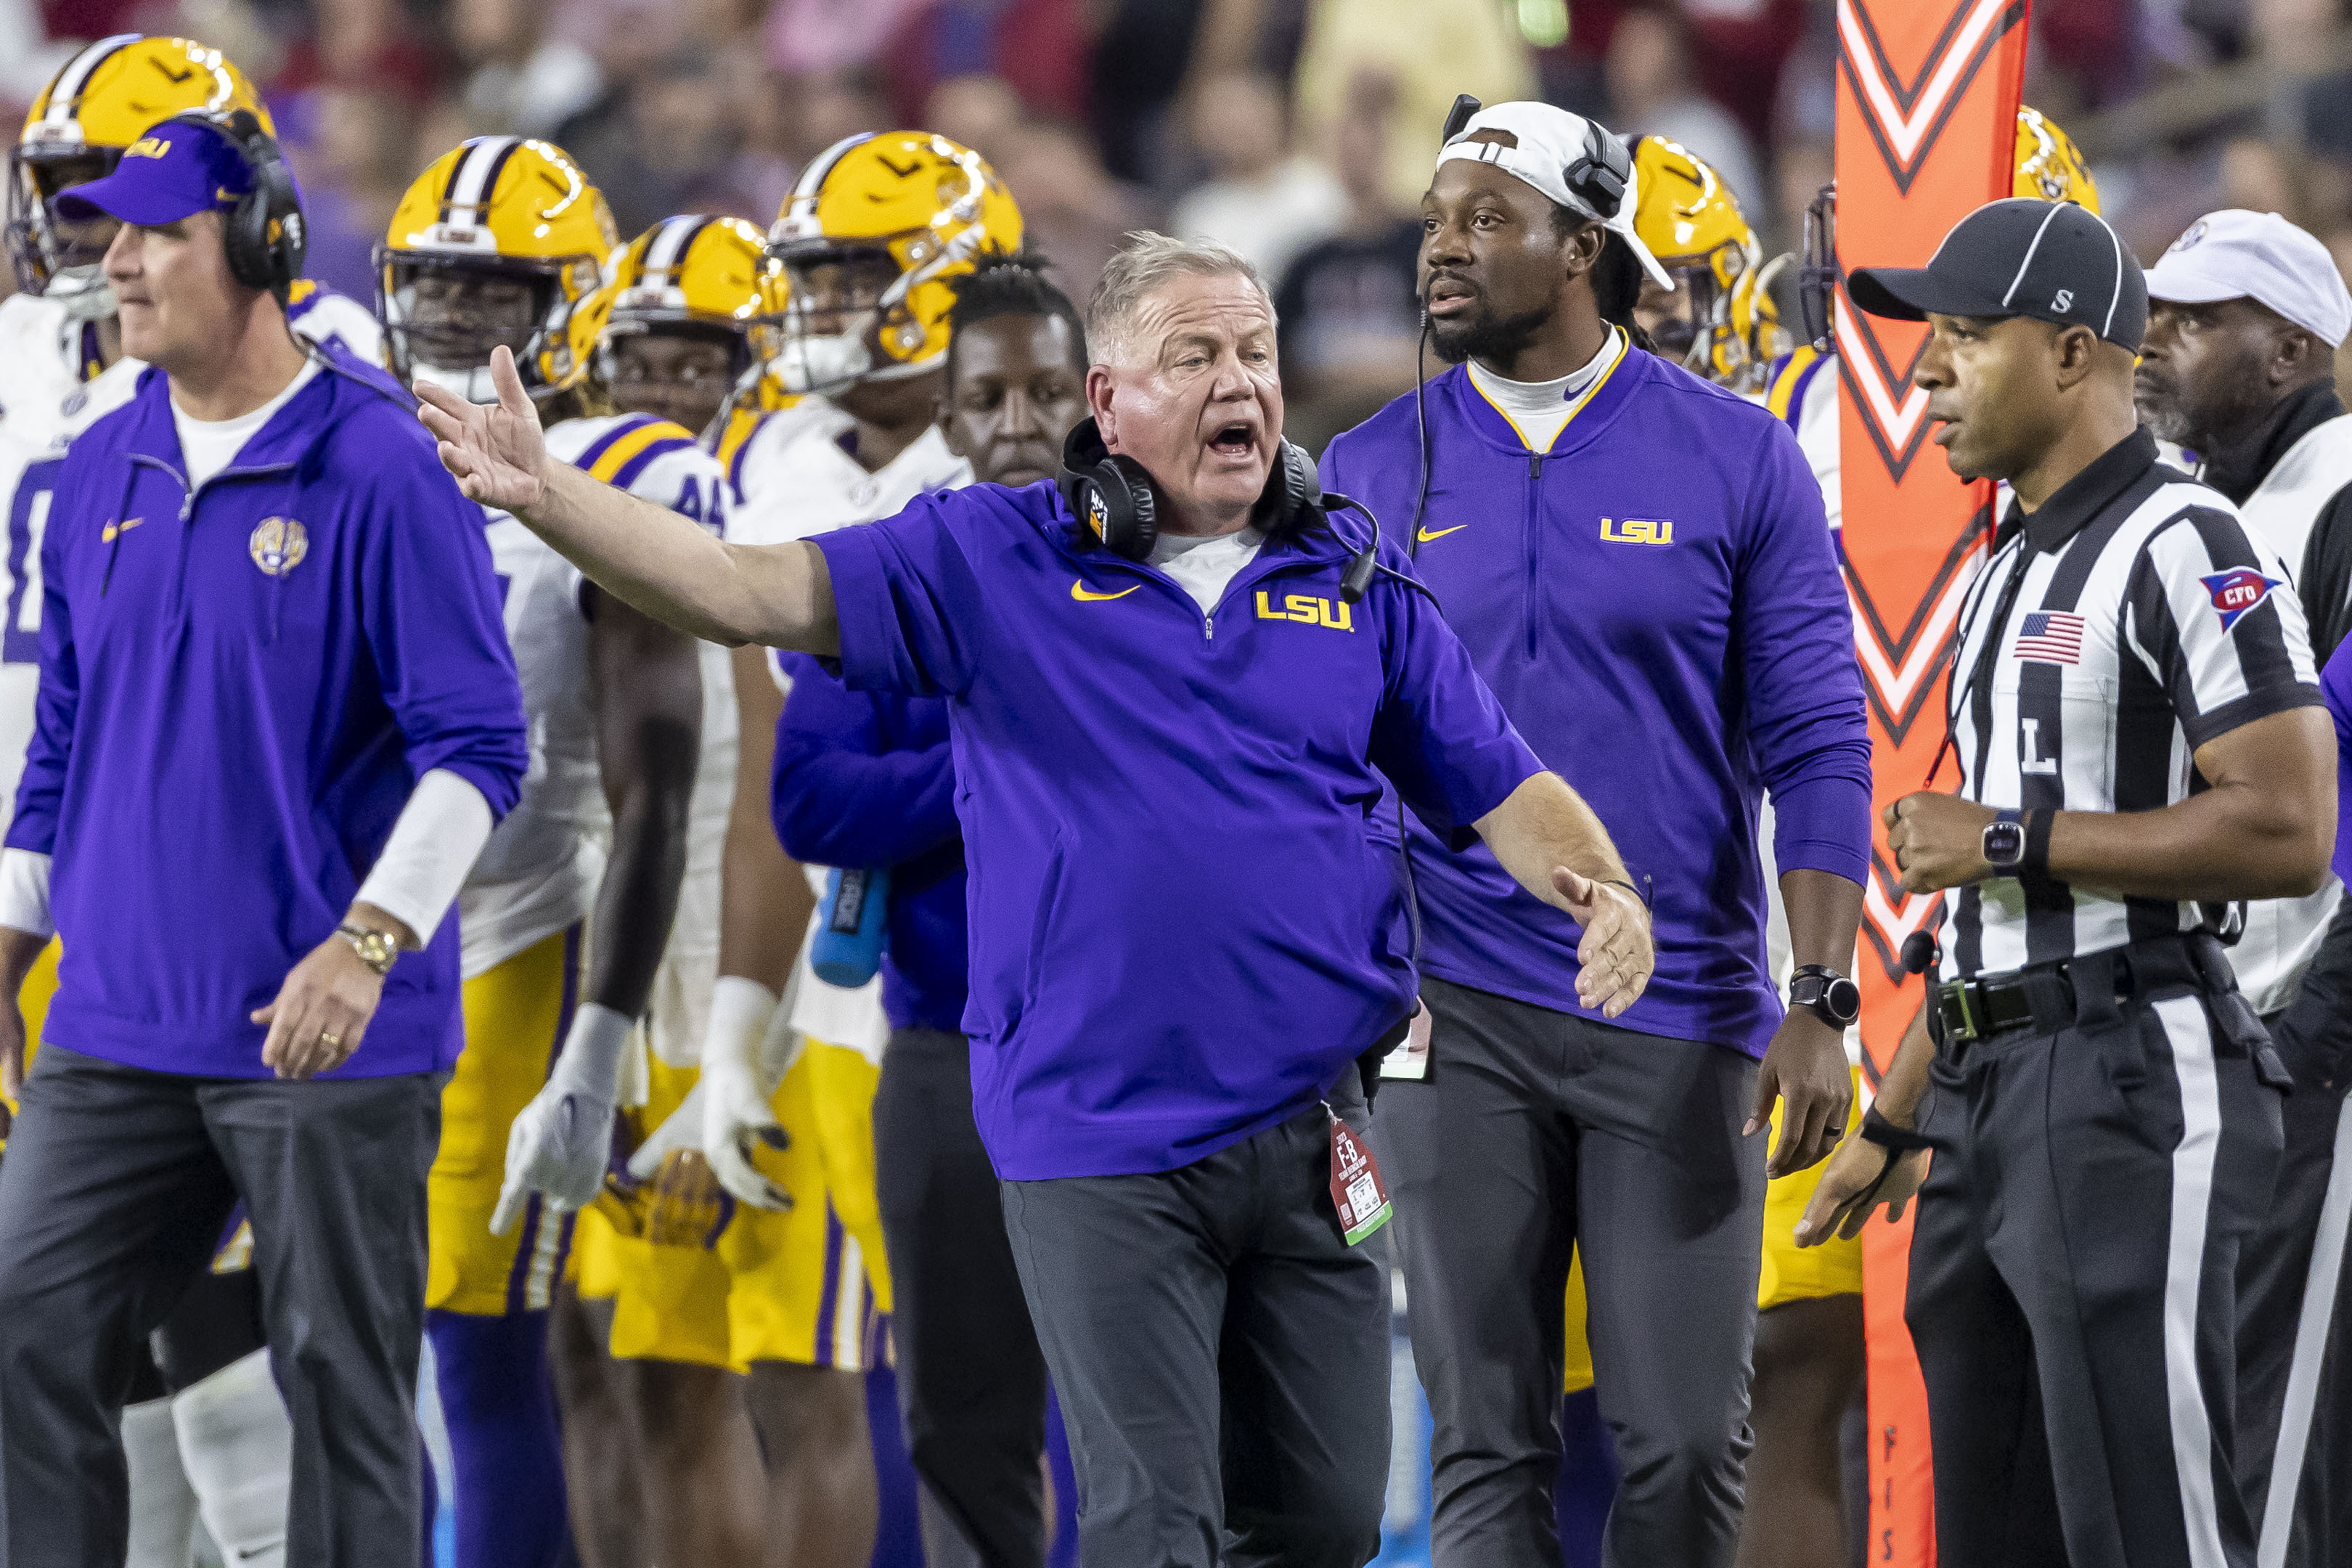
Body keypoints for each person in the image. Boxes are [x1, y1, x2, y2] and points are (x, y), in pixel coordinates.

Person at [417, 229, 1654, 1568]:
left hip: (1315, 1127)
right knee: (1149, 1523)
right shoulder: (987, 558)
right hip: (1096, 1129)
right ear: (1108, 402)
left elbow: (1503, 783)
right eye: (1196, 357)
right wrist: (550, 499)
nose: (1239, 381)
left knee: (1325, 1519)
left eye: (1253, 353)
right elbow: (737, 590)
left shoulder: (1348, 576)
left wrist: (1612, 892)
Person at [1318, 100, 1871, 1568]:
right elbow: (1321, 763)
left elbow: (1821, 741)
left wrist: (1822, 998)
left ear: (1583, 245)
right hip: (1456, 1016)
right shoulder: (1366, 472)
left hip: (1683, 1004)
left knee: (1687, 1442)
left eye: (1486, 218)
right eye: (1438, 215)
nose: (1444, 244)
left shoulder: (1739, 458)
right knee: (1486, 1438)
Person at [0, 110, 526, 1567]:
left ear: (260, 246)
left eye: (157, 232)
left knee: (345, 1396)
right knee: (26, 1336)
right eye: (108, 230)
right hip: (118, 1022)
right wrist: (10, 946)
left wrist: (365, 947)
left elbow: (481, 751)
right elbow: (63, 744)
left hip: (321, 1032)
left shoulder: (381, 463)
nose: (114, 260)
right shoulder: (103, 465)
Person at [1798, 196, 2335, 1568]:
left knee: (2153, 1526)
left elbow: (2289, 825)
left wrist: (2014, 835)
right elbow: (1985, 913)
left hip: (2130, 1069)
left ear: (2075, 351)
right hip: (1984, 1089)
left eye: (1966, 337)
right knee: (1991, 1528)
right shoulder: (2004, 563)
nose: (1924, 369)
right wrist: (1897, 1112)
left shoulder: (2187, 541)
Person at [372, 136, 719, 1568]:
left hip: (529, 934)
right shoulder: (359, 446)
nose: (455, 328)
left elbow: (659, 784)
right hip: (370, 939)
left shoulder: (623, 469)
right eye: (433, 295)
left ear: (569, 306)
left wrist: (595, 1046)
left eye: (493, 297)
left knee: (488, 1351)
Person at [688, 128, 1020, 1568]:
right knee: (848, 1381)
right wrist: (734, 1029)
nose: (821, 307)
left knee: (998, 1408)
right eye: (811, 278)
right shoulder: (787, 463)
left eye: (856, 276)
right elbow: (788, 784)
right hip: (843, 986)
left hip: (990, 997)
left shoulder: (1016, 471)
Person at [772, 251, 1088, 1568]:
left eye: (1050, 389)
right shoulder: (896, 570)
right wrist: (999, 769)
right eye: (989, 395)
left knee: (1162, 1422)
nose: (1020, 421)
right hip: (949, 1051)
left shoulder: (1189, 556)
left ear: (1102, 396)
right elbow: (810, 797)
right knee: (962, 1432)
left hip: (1156, 1061)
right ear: (947, 415)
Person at [540, 211, 781, 1568]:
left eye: (704, 365)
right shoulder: (622, 489)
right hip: (627, 973)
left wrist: (708, 1051)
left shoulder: (763, 507)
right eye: (648, 363)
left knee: (700, 1383)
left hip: (714, 993)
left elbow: (722, 804)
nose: (668, 395)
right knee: (602, 1358)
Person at [2135, 207, 2352, 1568]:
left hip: (2303, 1023)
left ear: (2288, 346)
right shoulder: (2197, 500)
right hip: (2218, 1023)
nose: (2157, 341)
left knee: (2270, 1429)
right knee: (2221, 1416)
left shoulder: (2340, 493)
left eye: (2197, 320)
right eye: (2154, 313)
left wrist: (2324, 1011)